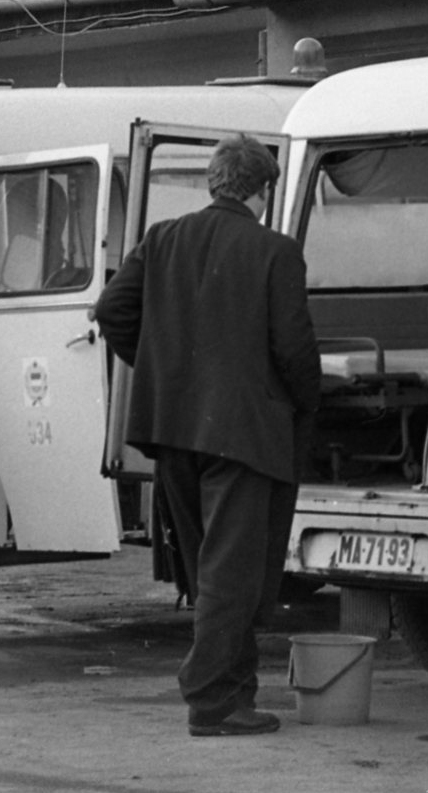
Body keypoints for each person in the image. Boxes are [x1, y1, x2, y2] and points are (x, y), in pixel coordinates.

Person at [94, 134, 321, 738]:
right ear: (263, 191)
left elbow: (111, 310)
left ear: (215, 182)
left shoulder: (163, 238)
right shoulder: (276, 251)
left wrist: (166, 370)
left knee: (207, 567)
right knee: (232, 572)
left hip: (173, 430)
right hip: (245, 434)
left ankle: (233, 690)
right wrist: (303, 404)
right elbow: (294, 348)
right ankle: (213, 702)